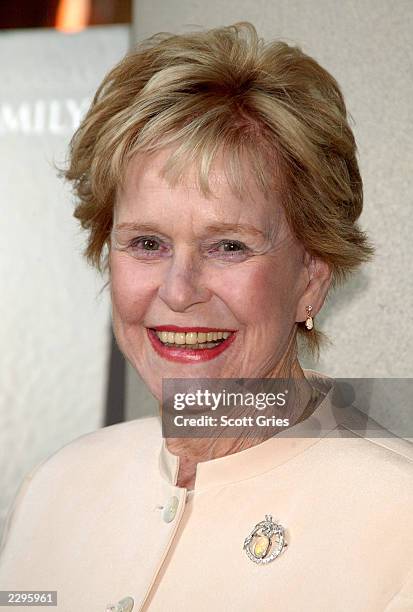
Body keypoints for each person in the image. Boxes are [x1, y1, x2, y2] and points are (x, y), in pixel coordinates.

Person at [0, 22, 412, 612]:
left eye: (229, 247)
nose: (179, 290)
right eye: (146, 243)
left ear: (310, 280)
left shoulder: (399, 525)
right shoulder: (55, 487)